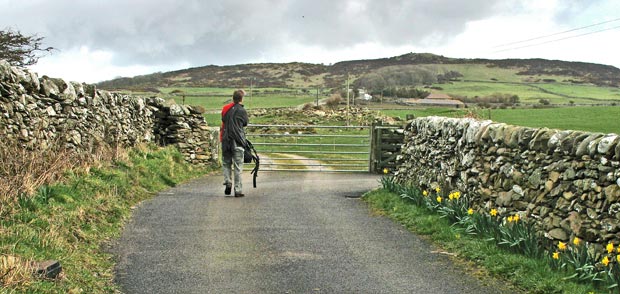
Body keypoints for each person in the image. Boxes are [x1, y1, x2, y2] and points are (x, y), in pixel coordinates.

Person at [220, 89, 249, 197]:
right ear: (241, 99)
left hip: (226, 140)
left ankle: (228, 182)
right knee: (238, 166)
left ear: (233, 98)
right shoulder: (242, 110)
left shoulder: (226, 109)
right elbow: (245, 123)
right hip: (237, 141)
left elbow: (223, 120)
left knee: (226, 163)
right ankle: (238, 190)